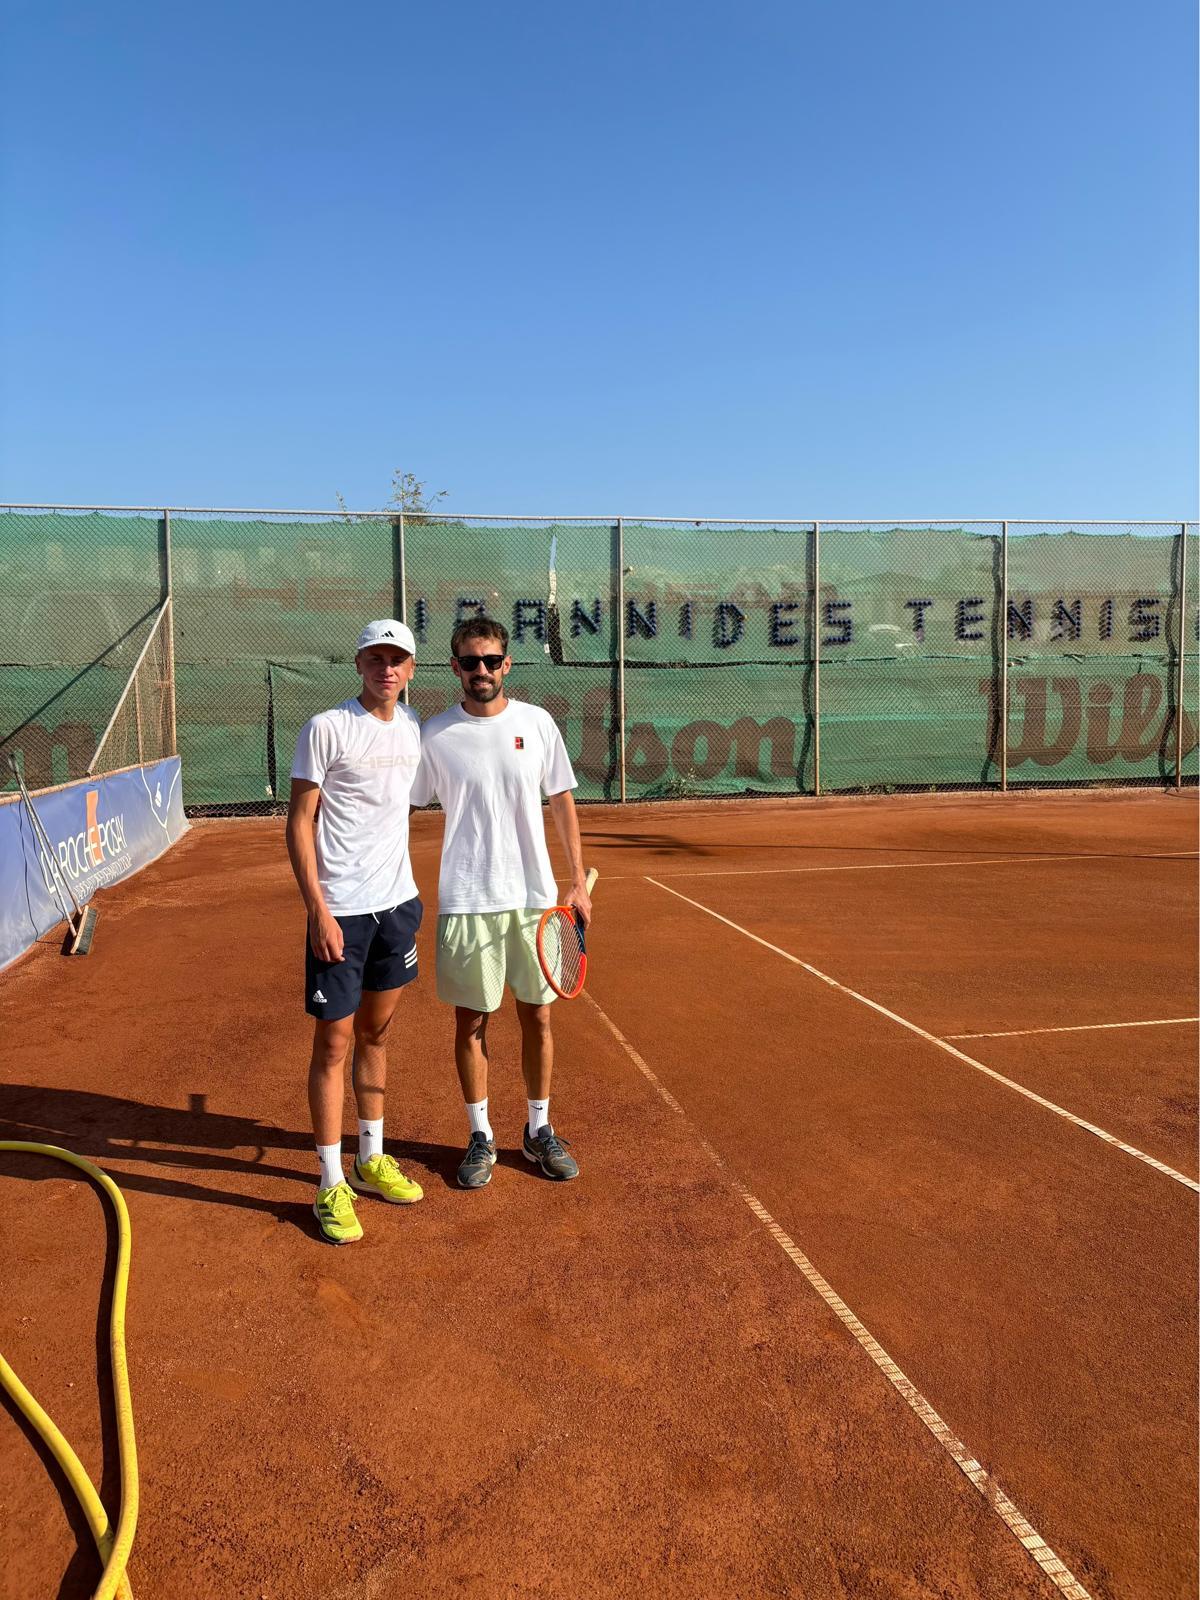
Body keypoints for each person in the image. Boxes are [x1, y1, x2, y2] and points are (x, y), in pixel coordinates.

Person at [410, 616, 592, 1188]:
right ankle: (480, 1134)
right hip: (467, 900)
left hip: (534, 898)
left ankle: (539, 1131)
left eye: (491, 661)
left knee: (537, 1017)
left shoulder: (536, 724)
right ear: (455, 667)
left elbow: (561, 801)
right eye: (470, 662)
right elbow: (404, 808)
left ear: (507, 664)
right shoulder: (434, 735)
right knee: (471, 1024)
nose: (481, 671)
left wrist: (576, 882)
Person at [286, 619, 426, 1245]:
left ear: (411, 669)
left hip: (398, 905)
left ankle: (370, 1158)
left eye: (397, 660)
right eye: (376, 658)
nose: (386, 669)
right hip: (340, 909)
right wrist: (316, 908)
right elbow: (299, 821)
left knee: (377, 1035)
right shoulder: (327, 727)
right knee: (334, 1046)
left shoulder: (417, 728)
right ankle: (329, 1183)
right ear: (359, 663)